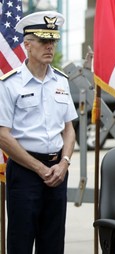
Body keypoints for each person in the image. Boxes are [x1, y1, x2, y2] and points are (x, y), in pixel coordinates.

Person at [0, 11, 77, 253]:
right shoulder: (9, 83)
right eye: (43, 40)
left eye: (53, 41)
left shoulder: (61, 81)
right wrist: (40, 168)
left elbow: (69, 129)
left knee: (53, 242)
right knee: (21, 242)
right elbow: (2, 135)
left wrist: (64, 162)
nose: (49, 46)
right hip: (25, 173)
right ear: (27, 45)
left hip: (57, 171)